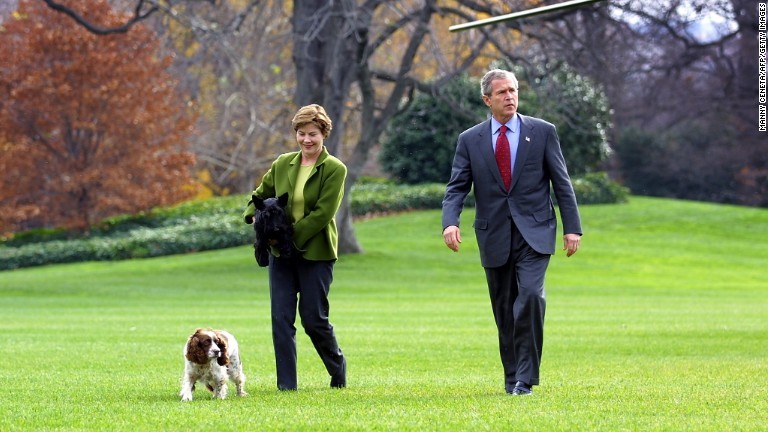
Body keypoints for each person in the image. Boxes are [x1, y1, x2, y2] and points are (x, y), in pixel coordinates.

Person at [441, 69, 582, 396]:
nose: (510, 97)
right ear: (487, 99)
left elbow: (562, 183)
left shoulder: (543, 132)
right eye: (502, 92)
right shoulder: (470, 140)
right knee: (504, 309)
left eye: (513, 90)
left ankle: (525, 379)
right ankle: (511, 378)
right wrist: (451, 222)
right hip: (494, 235)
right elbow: (456, 187)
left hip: (536, 232)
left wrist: (572, 228)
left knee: (531, 297)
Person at [242, 104, 347, 391]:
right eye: (301, 134)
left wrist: (288, 238)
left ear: (323, 133)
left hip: (316, 253)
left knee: (314, 320)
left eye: (312, 134)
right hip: (280, 255)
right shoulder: (282, 163)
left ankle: (337, 366)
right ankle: (287, 385)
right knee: (281, 319)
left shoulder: (334, 169)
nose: (306, 140)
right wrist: (253, 214)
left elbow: (323, 214)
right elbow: (261, 194)